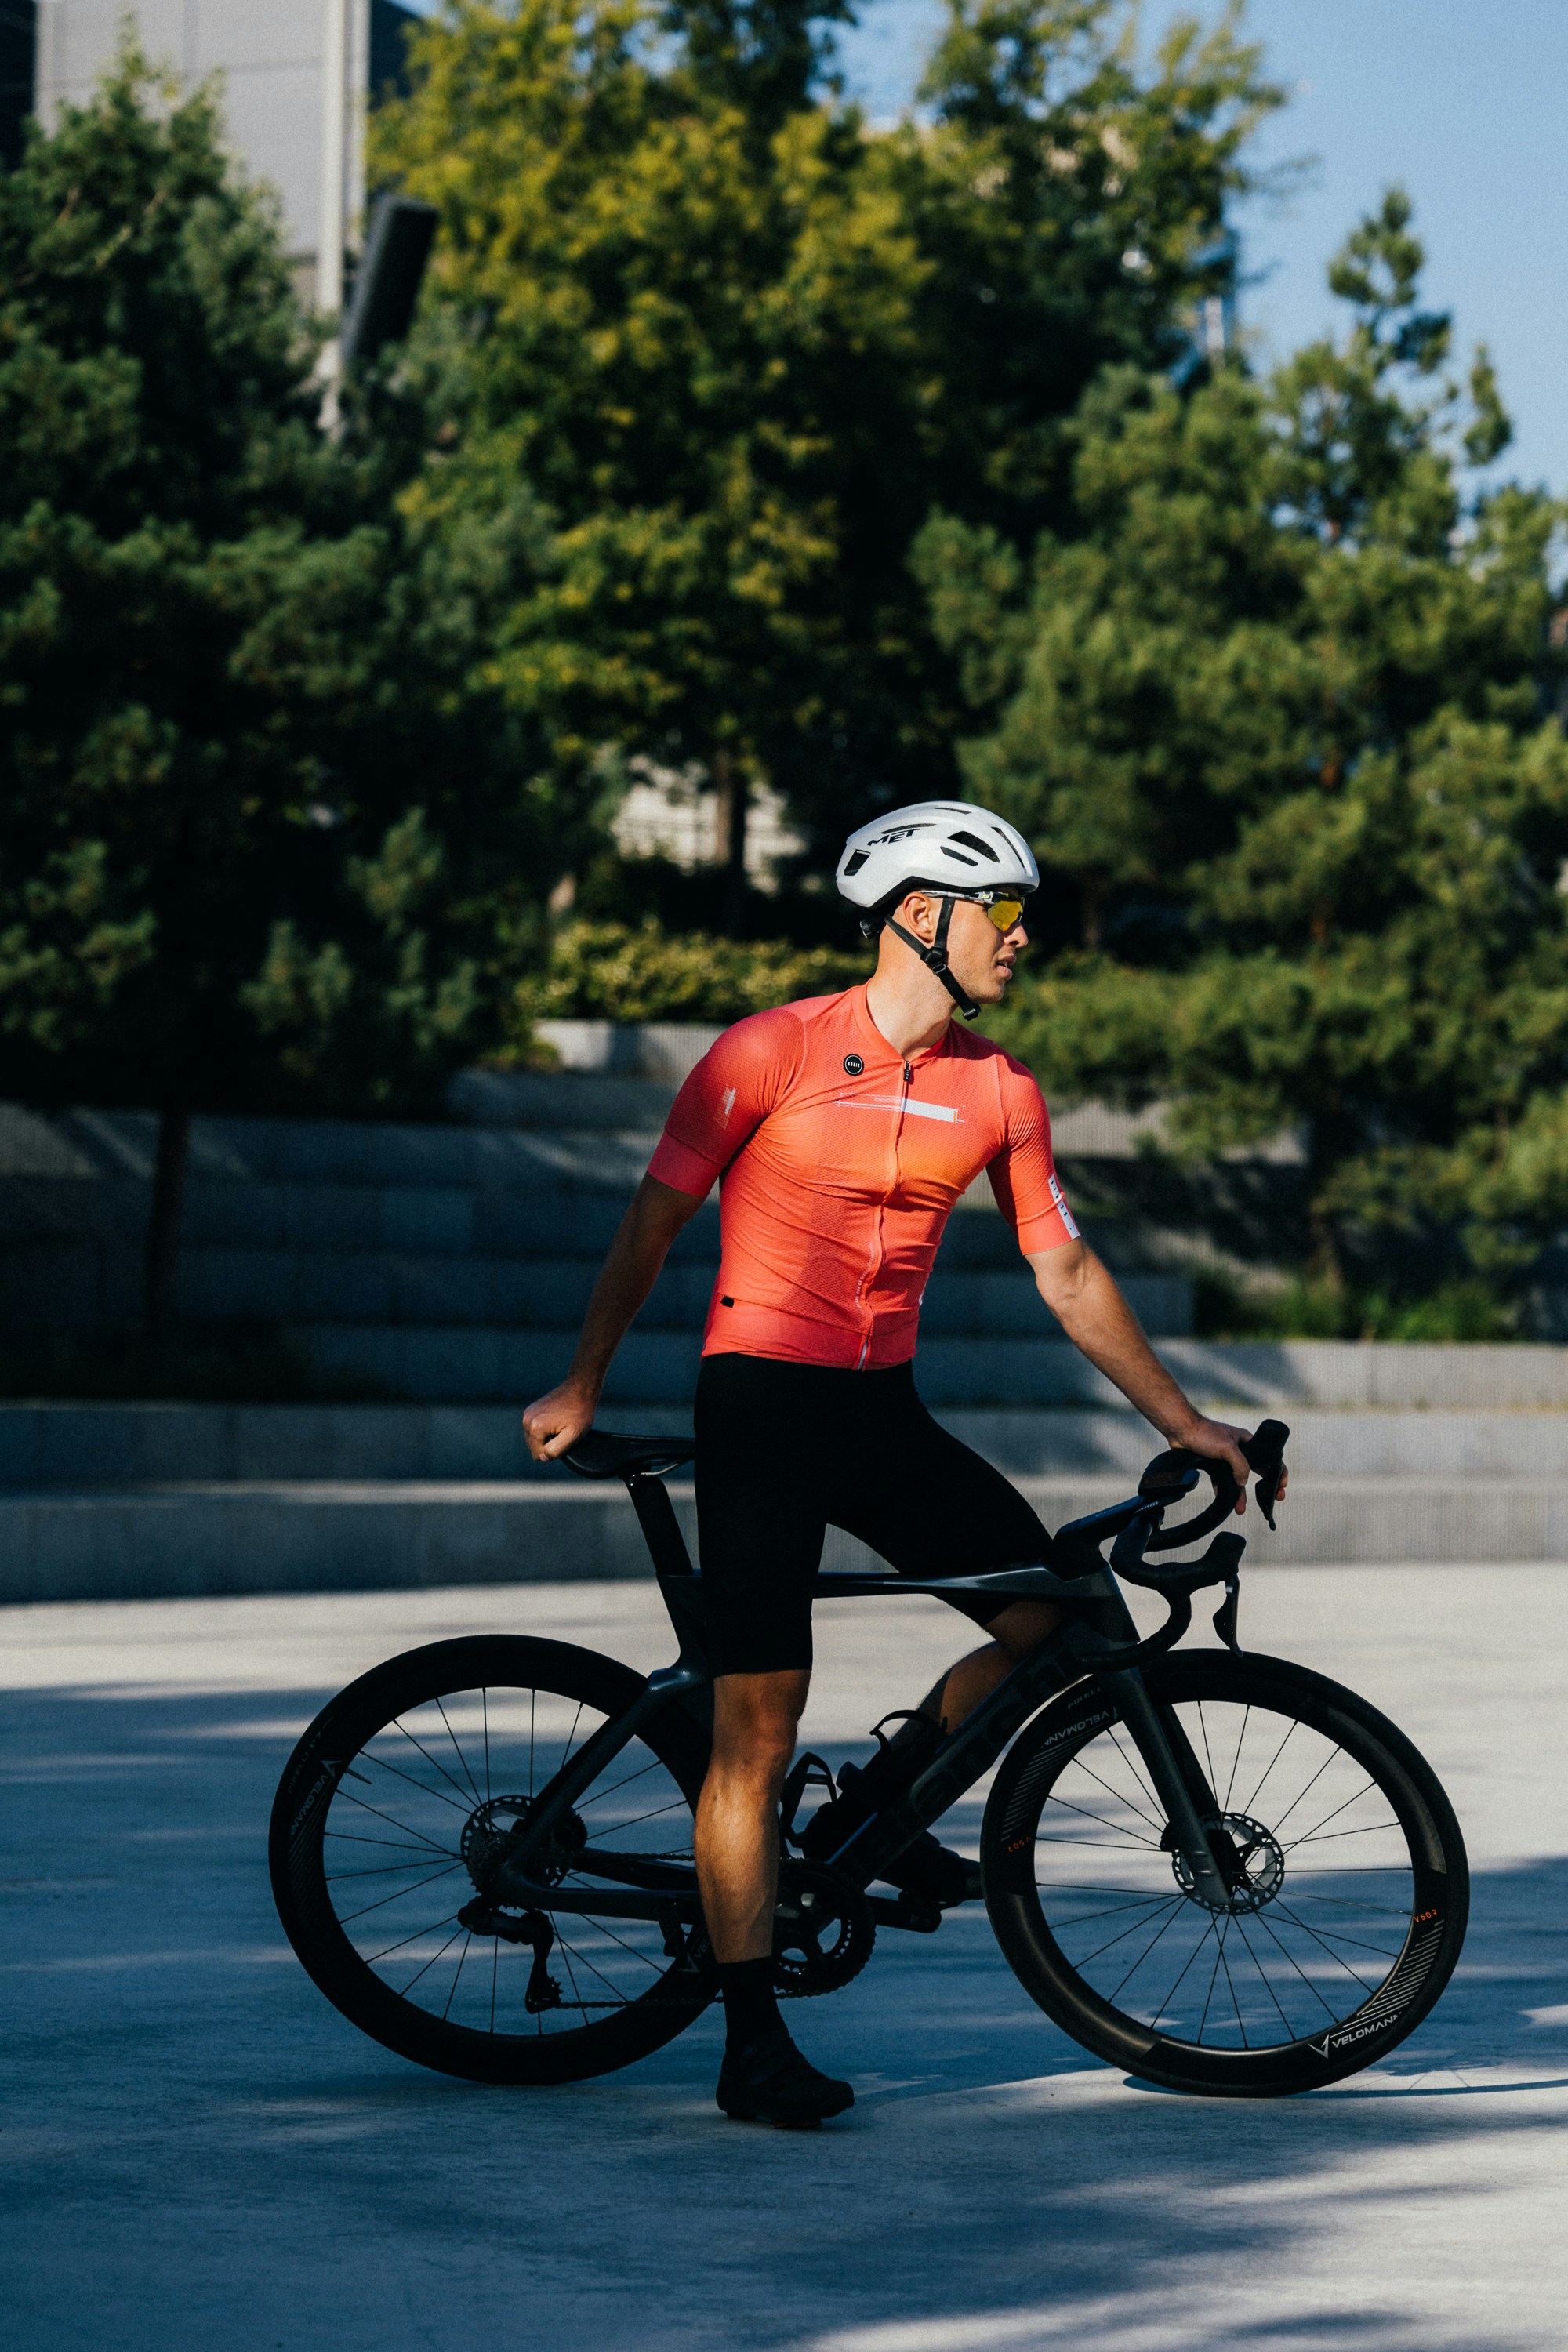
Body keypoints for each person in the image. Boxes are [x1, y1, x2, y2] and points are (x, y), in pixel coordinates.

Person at [522, 799, 1283, 2128]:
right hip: (762, 1406)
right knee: (756, 1735)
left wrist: (1185, 1423)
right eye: (1005, 911)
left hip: (884, 1415)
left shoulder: (1000, 1089)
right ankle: (750, 2043)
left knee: (1051, 1617)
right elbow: (653, 1223)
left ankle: (876, 1813)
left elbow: (1066, 1270)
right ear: (923, 915)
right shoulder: (768, 1051)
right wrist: (583, 1379)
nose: (1023, 935)